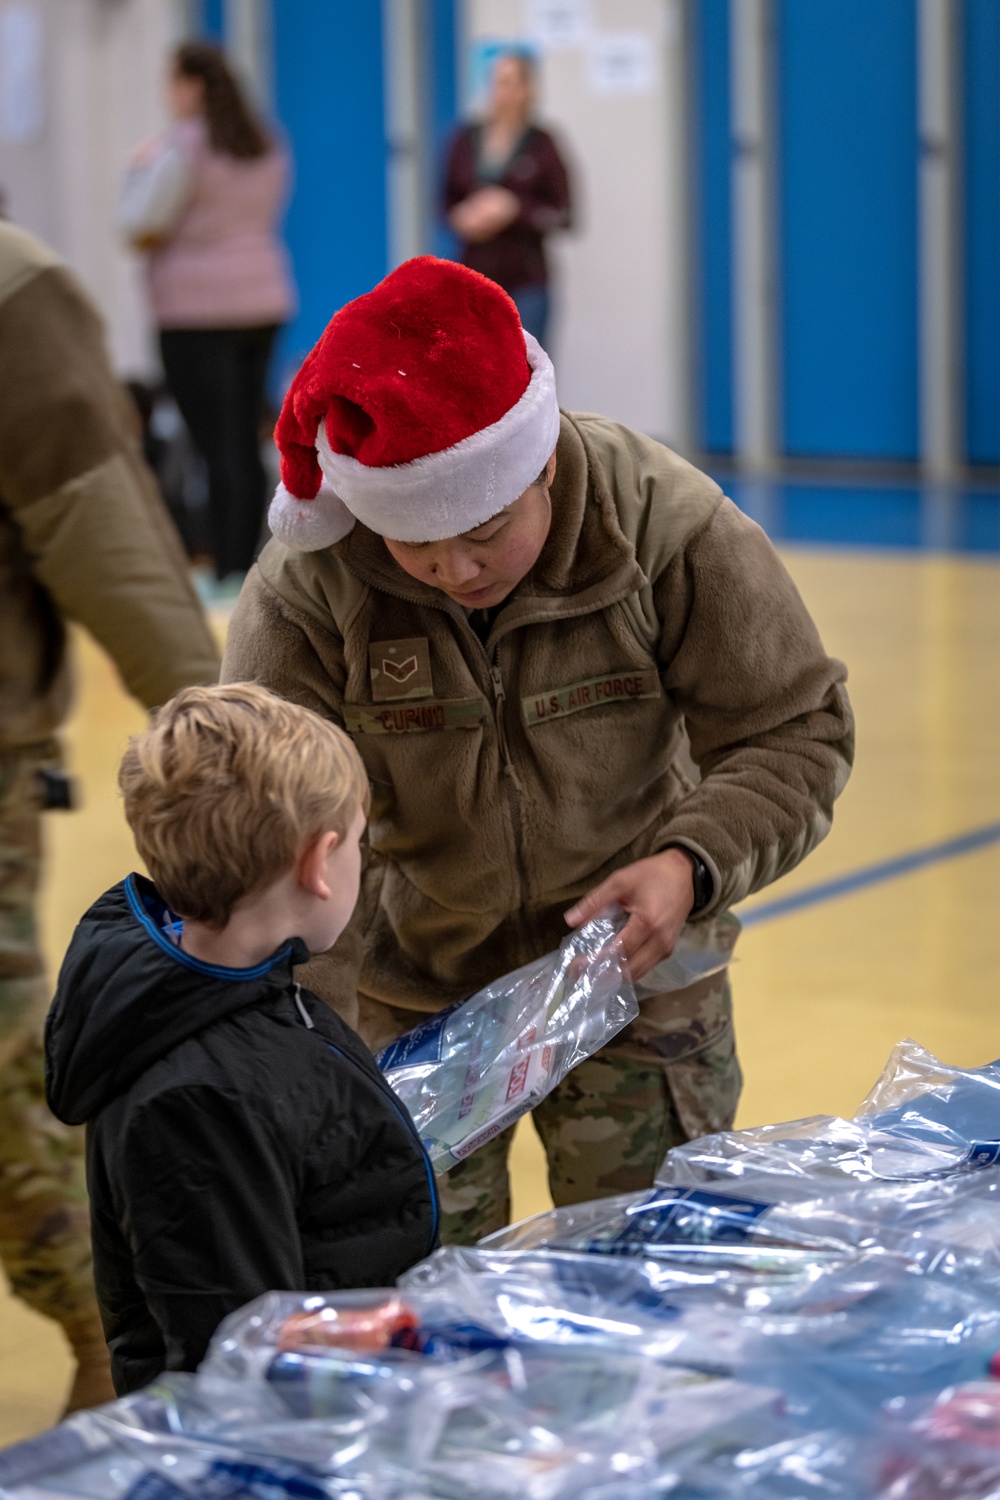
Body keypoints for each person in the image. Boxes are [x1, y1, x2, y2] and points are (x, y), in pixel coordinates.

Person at [222, 256, 854, 1245]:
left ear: (543, 464)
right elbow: (274, 841)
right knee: (427, 1312)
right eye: (415, 546)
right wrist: (314, 1054)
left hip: (635, 989)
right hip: (408, 999)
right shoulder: (307, 588)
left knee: (649, 1281)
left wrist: (689, 864)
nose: (453, 569)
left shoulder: (663, 524)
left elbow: (793, 728)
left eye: (482, 531)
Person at [44, 684, 439, 1395]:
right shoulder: (195, 1102)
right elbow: (242, 1351)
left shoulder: (253, 987)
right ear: (318, 863)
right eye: (357, 841)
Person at [0, 218, 220, 1409]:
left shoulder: (9, 294)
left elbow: (100, 523)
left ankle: (113, 1331)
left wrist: (221, 730)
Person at [120, 41, 296, 584]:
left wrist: (136, 172)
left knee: (211, 442)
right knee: (245, 437)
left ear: (192, 86)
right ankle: (249, 561)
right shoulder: (266, 141)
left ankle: (223, 563)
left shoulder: (180, 147)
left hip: (196, 310)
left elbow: (137, 222)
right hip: (263, 300)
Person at [444, 50, 571, 348]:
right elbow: (444, 202)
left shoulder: (543, 144)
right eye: (497, 82)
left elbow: (565, 215)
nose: (503, 91)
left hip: (526, 280)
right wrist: (462, 216)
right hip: (474, 277)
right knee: (473, 373)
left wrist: (515, 209)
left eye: (511, 82)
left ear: (528, 89)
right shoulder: (465, 140)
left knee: (528, 374)